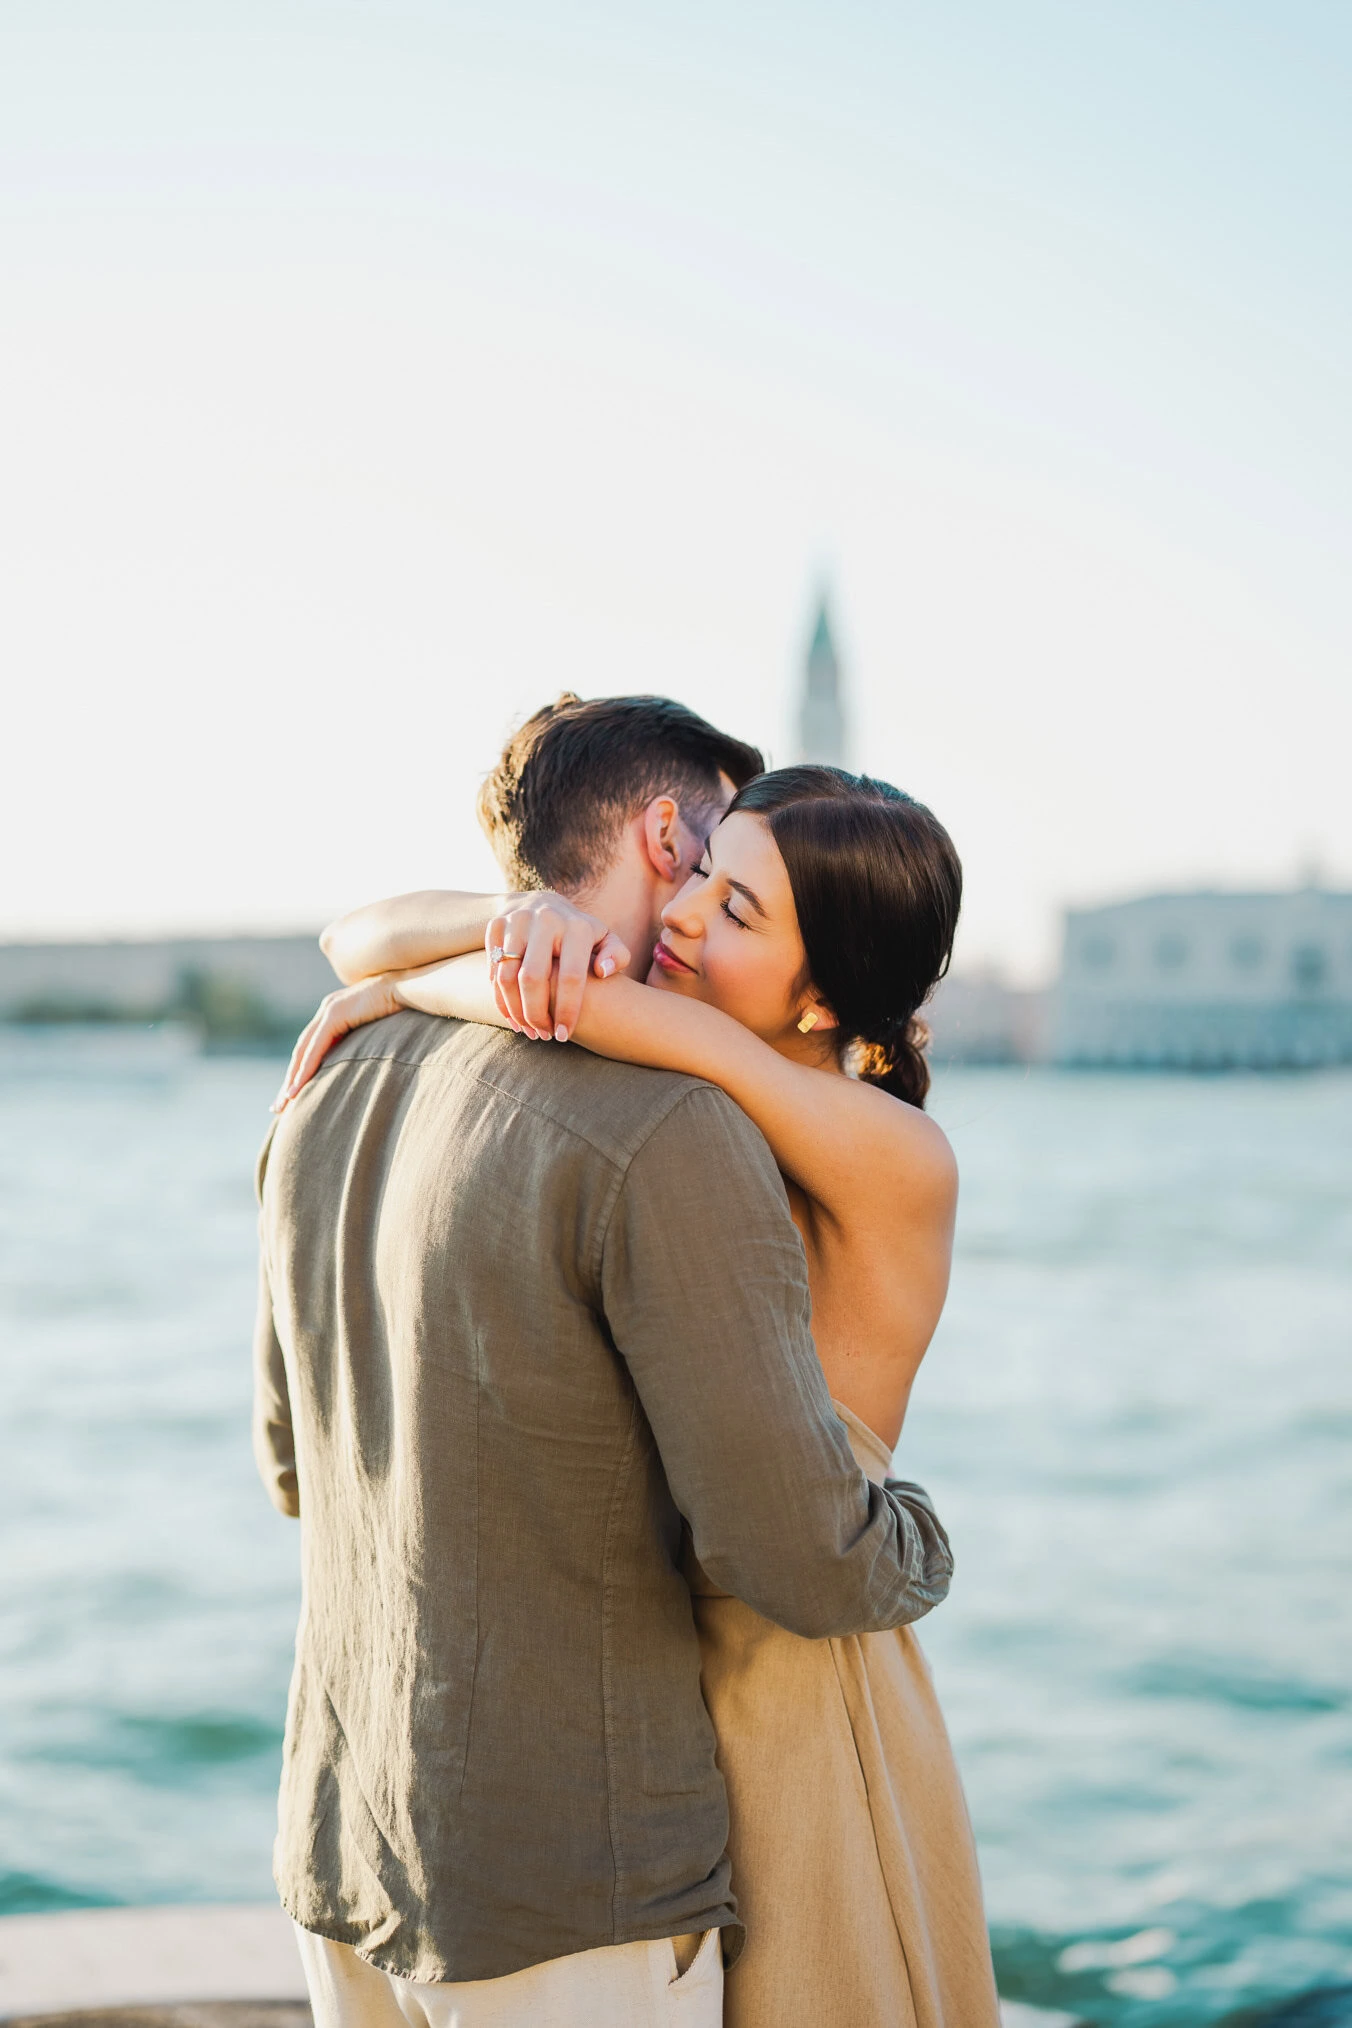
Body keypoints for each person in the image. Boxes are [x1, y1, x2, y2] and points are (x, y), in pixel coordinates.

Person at [277, 710, 1003, 2028]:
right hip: (668, 1670)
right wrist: (467, 949)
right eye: (704, 874)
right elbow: (364, 933)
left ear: (825, 997)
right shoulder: (701, 1097)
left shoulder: (875, 1146)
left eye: (733, 908)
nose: (682, 919)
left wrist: (414, 986)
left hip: (798, 1668)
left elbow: (417, 964)